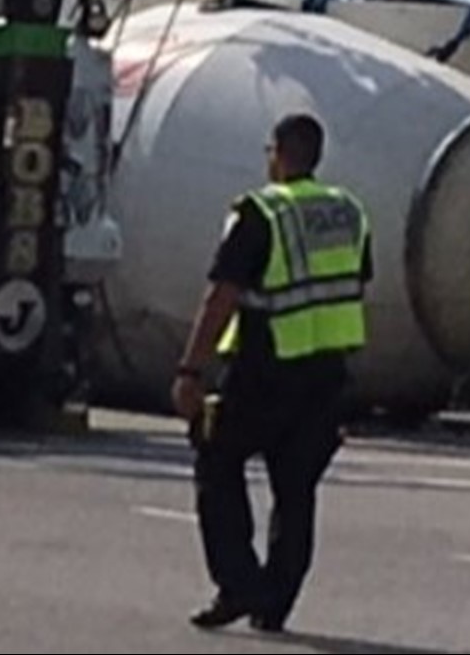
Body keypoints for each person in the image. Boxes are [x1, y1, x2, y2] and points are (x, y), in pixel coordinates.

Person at [171, 112, 371, 634]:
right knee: (296, 489)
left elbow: (222, 296)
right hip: (327, 374)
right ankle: (274, 602)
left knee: (216, 459)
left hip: (264, 369)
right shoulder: (348, 212)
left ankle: (239, 582)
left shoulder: (259, 213)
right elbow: (353, 282)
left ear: (278, 154)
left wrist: (191, 370)